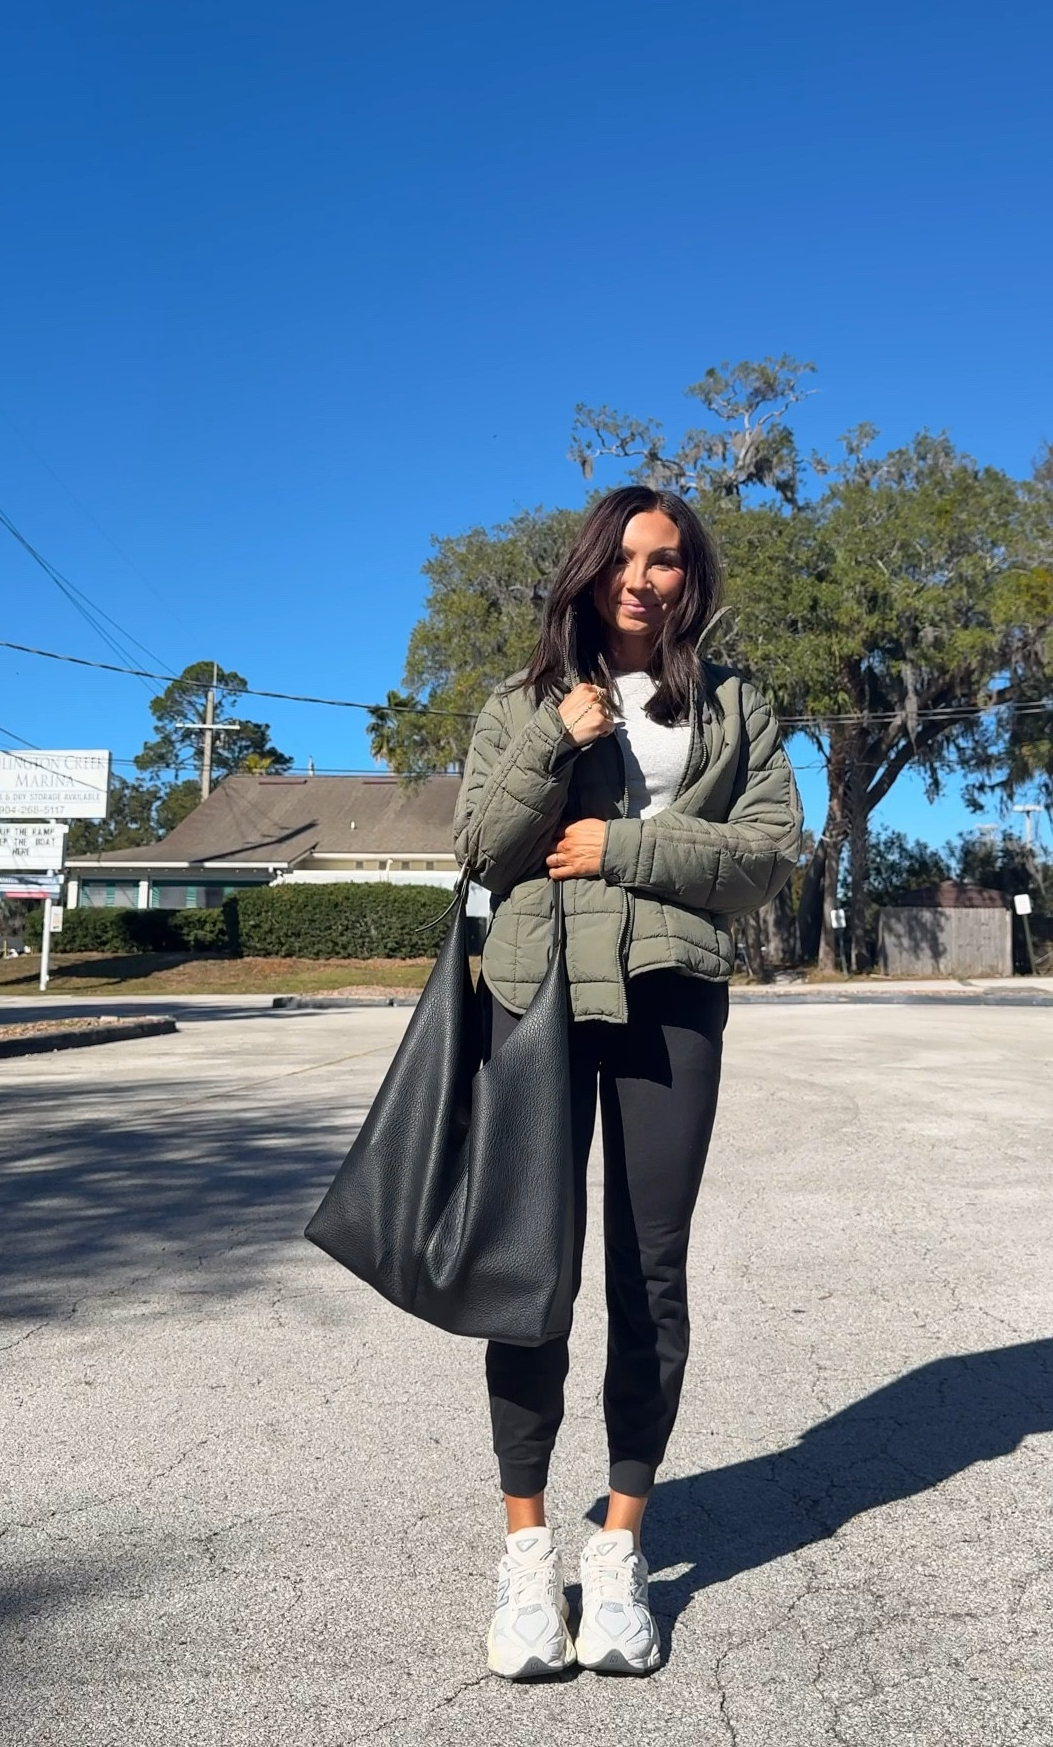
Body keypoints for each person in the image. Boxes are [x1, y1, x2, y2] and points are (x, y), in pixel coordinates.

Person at [453, 485, 803, 1679]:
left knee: (650, 1272)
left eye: (665, 561)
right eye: (623, 558)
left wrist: (625, 845)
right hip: (537, 994)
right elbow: (484, 850)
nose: (641, 580)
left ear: (689, 578)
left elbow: (766, 855)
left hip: (671, 998)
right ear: (589, 569)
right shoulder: (519, 704)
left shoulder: (736, 705)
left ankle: (618, 1550)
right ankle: (525, 1556)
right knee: (529, 1269)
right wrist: (557, 739)